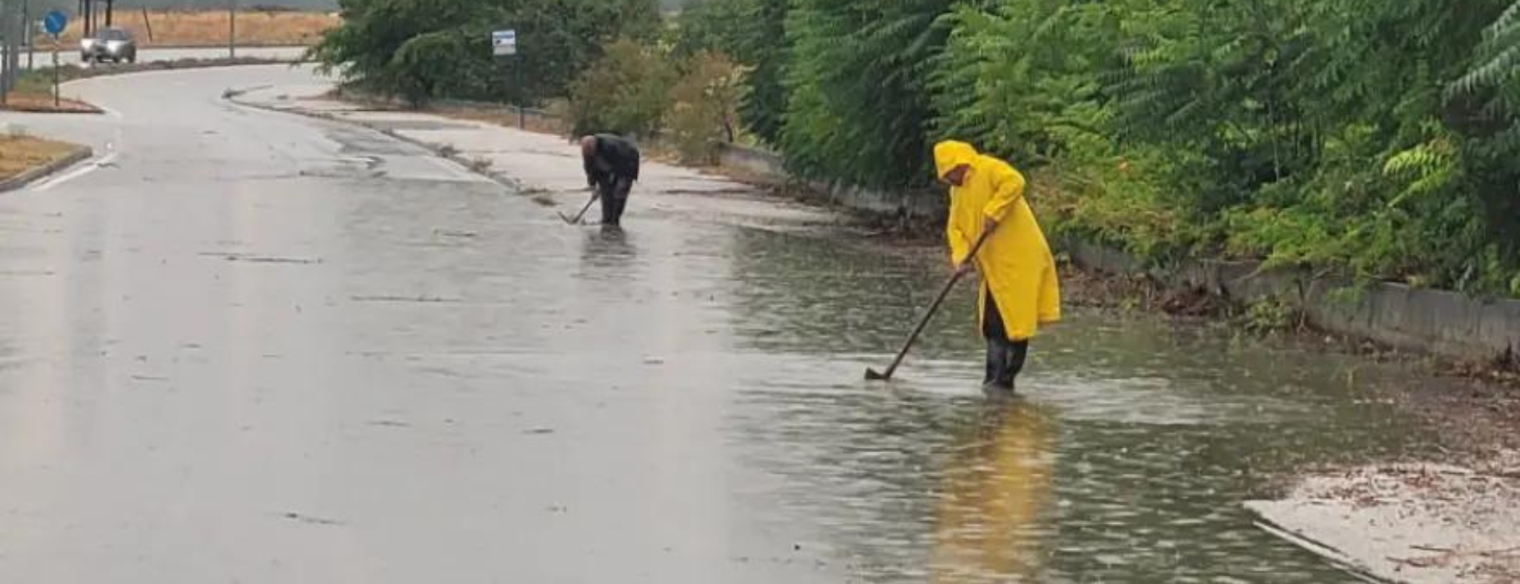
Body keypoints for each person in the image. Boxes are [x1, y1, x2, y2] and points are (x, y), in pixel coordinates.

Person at [933, 140, 1061, 393]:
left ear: (960, 164)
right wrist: (960, 258)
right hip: (993, 267)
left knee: (1016, 323)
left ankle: (1005, 381)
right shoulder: (957, 192)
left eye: (951, 173)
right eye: (946, 176)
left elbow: (1015, 182)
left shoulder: (989, 168)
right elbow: (955, 228)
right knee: (993, 324)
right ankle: (993, 382)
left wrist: (994, 212)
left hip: (1021, 260)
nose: (950, 179)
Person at [580, 134, 641, 227]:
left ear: (594, 146)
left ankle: (615, 220)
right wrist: (593, 187)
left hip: (627, 160)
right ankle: (607, 219)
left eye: (592, 152)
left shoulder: (609, 146)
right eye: (589, 154)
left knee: (620, 190)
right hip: (609, 165)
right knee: (605, 192)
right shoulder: (587, 153)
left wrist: (612, 178)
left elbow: (618, 167)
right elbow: (590, 170)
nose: (591, 154)